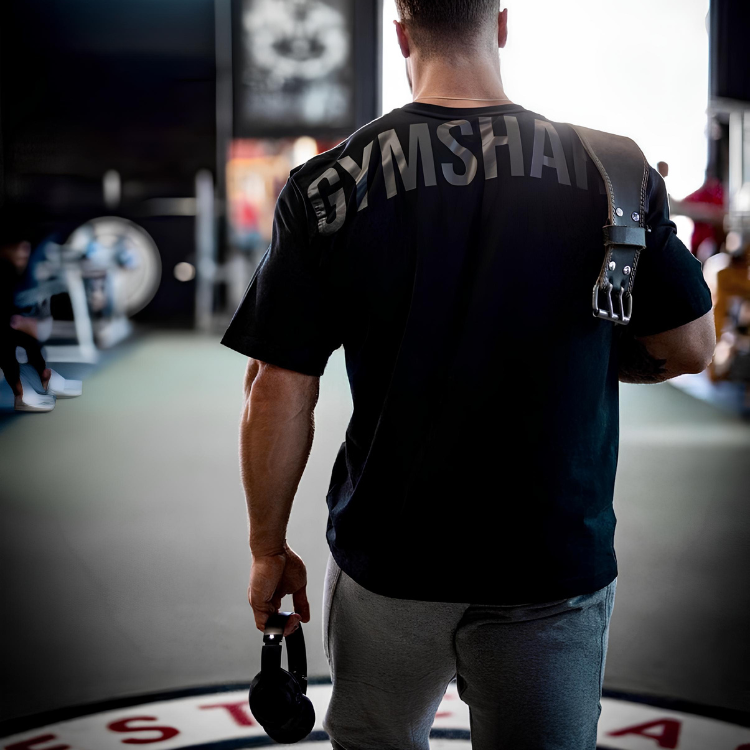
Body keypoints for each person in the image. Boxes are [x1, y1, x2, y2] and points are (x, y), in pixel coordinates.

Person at [221, 2, 715, 747]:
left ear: (400, 33)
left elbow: (277, 385)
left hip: (391, 557)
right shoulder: (614, 170)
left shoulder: (327, 184)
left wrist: (268, 549)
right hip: (551, 559)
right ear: (502, 25)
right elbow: (690, 348)